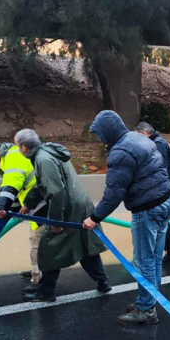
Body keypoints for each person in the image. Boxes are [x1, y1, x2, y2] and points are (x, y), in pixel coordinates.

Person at [83, 110, 170, 326]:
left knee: (143, 261)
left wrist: (94, 217)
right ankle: (148, 301)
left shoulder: (120, 152)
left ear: (108, 131)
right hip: (165, 201)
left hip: (148, 208)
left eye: (100, 134)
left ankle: (145, 310)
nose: (100, 138)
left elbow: (114, 192)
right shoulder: (137, 137)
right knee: (153, 258)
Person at [14, 129, 112, 302]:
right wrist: (29, 203)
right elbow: (43, 184)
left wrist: (55, 222)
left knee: (50, 246)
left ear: (23, 147)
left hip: (68, 208)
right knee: (84, 246)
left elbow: (56, 192)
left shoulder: (43, 159)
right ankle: (103, 282)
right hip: (80, 204)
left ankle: (46, 292)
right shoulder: (48, 153)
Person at [0, 141, 42, 297]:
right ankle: (38, 271)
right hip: (34, 204)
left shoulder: (12, 157)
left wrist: (1, 206)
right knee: (38, 242)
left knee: (36, 243)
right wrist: (11, 209)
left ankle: (39, 282)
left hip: (40, 205)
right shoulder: (14, 154)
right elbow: (18, 187)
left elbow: (11, 185)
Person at [134, 121, 170, 264]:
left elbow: (159, 168)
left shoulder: (157, 145)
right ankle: (168, 251)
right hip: (164, 187)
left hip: (163, 189)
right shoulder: (159, 142)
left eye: (137, 137)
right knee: (162, 221)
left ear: (144, 134)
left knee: (161, 222)